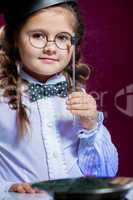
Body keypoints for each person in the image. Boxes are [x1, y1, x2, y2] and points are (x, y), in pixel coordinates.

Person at [0, 0, 118, 193]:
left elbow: (105, 175)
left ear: (72, 46)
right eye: (38, 36)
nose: (51, 48)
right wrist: (7, 187)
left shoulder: (78, 96)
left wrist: (91, 126)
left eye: (62, 38)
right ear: (14, 39)